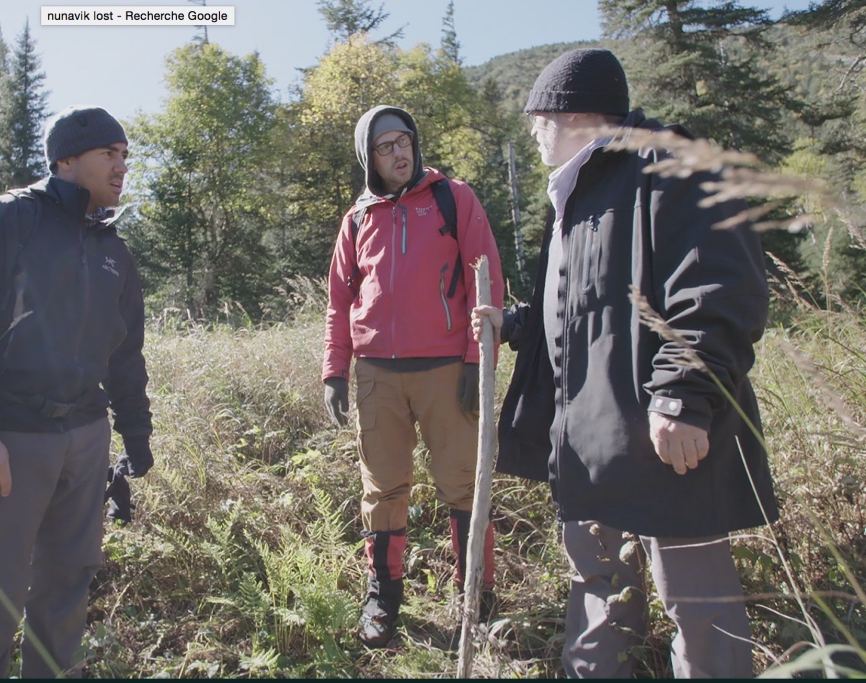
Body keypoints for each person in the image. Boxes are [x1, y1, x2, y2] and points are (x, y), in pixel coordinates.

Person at [472, 48, 778, 678]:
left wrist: (683, 395)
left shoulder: (670, 166)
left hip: (666, 438)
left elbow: (719, 290)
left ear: (571, 113)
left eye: (537, 118)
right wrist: (518, 323)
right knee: (598, 584)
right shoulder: (578, 197)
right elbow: (584, 306)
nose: (532, 132)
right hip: (590, 441)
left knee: (699, 604)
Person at [0, 105, 153, 678]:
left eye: (126, 155)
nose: (122, 165)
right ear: (65, 160)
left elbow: (124, 354)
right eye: (109, 153)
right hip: (8, 442)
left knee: (67, 589)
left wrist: (136, 435)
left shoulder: (112, 249)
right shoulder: (2, 220)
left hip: (85, 441)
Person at [322, 105, 505, 648]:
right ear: (368, 159)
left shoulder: (454, 198)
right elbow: (339, 301)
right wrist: (335, 370)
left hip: (447, 371)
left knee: (464, 485)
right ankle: (384, 598)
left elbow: (486, 281)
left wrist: (478, 360)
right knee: (382, 491)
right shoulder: (358, 219)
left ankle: (477, 597)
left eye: (404, 141)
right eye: (385, 146)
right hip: (377, 375)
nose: (399, 152)